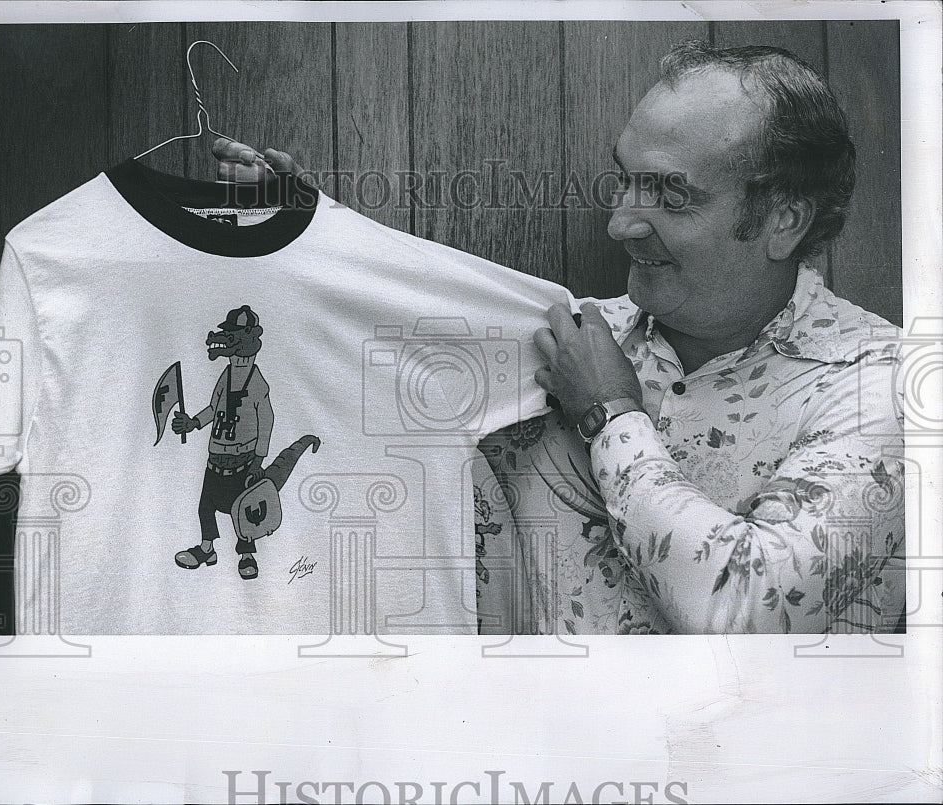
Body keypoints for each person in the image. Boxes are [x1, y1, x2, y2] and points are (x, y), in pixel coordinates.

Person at [212, 40, 905, 634]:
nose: (621, 224)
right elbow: (377, 345)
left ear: (783, 218)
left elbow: (747, 609)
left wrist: (609, 413)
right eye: (626, 180)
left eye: (670, 196)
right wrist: (318, 247)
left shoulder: (887, 384)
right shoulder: (561, 337)